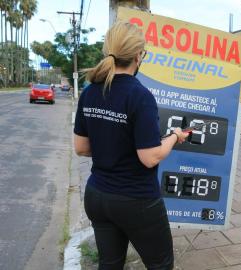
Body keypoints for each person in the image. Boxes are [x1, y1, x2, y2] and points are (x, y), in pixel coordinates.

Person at [73, 21, 189, 270]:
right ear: (139, 55)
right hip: (135, 200)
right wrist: (174, 137)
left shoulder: (90, 91)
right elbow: (149, 157)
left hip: (97, 196)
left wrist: (112, 145)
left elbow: (81, 147)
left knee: (110, 264)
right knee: (161, 265)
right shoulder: (140, 96)